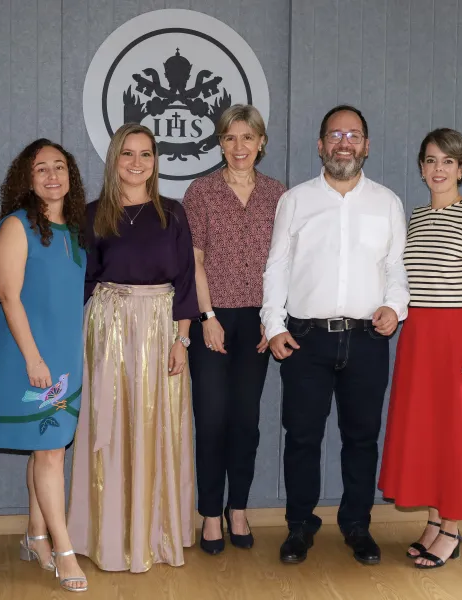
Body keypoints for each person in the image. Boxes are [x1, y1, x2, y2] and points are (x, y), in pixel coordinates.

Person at [261, 105, 409, 566]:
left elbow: (396, 268)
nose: (344, 143)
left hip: (367, 340)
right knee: (302, 438)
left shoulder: (387, 202)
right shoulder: (295, 201)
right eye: (335, 135)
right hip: (305, 340)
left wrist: (395, 306)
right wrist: (274, 325)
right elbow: (276, 267)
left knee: (362, 438)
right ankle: (299, 526)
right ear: (321, 144)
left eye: (353, 135)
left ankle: (357, 525)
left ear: (366, 145)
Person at [377, 128, 462, 569]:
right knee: (431, 433)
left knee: (458, 434)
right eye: (431, 160)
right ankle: (435, 521)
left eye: (448, 161)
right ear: (422, 168)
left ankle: (452, 530)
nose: (438, 169)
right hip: (421, 339)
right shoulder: (417, 217)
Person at [67, 123, 199, 573]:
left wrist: (182, 339)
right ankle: (109, 535)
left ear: (155, 161)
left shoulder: (173, 213)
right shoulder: (92, 214)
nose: (137, 163)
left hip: (162, 328)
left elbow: (186, 280)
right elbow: (83, 281)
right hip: (108, 329)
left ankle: (157, 533)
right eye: (128, 153)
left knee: (157, 426)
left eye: (145, 154)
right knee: (111, 425)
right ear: (114, 160)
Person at [183, 105, 286, 555]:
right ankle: (210, 513)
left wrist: (274, 318)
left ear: (261, 142)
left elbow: (284, 264)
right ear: (220, 144)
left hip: (259, 322)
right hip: (213, 319)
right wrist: (207, 317)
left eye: (247, 137)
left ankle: (237, 508)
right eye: (229, 138)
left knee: (246, 421)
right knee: (211, 420)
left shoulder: (279, 195)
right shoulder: (201, 192)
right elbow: (194, 260)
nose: (239, 146)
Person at [0, 139, 88, 592]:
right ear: (26, 178)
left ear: (70, 175)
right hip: (33, 357)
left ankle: (35, 535)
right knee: (49, 452)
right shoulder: (16, 225)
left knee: (47, 446)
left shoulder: (75, 230)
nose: (51, 175)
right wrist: (33, 359)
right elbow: (8, 296)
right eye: (41, 168)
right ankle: (64, 552)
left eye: (59, 167)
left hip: (66, 356)